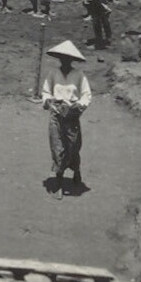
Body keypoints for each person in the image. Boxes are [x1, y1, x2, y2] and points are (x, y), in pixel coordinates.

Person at [42, 40, 92, 194]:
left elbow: (86, 95)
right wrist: (48, 101)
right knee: (57, 146)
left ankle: (76, 170)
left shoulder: (79, 75)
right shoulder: (53, 73)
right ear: (59, 58)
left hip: (71, 115)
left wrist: (79, 106)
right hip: (56, 113)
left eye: (68, 58)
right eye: (62, 58)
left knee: (72, 146)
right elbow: (46, 91)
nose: (65, 61)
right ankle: (59, 178)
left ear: (72, 60)